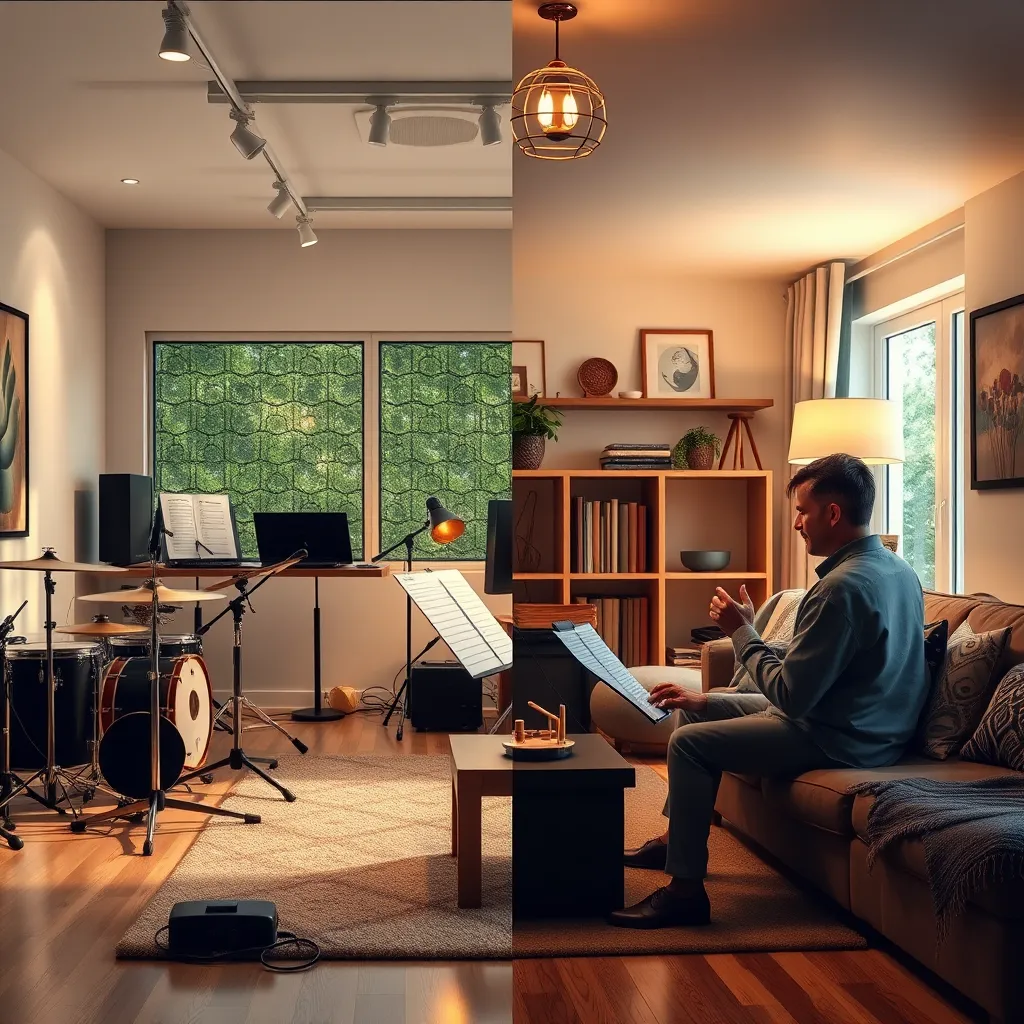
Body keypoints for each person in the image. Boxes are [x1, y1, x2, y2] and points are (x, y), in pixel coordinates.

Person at [609, 453, 929, 928]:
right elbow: (812, 685)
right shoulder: (898, 570)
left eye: (803, 510)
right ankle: (677, 843)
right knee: (693, 707)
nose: (798, 523)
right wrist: (712, 694)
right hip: (859, 721)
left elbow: (791, 697)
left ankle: (684, 894)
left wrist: (743, 632)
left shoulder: (840, 589)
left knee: (689, 743)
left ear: (834, 513)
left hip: (842, 739)